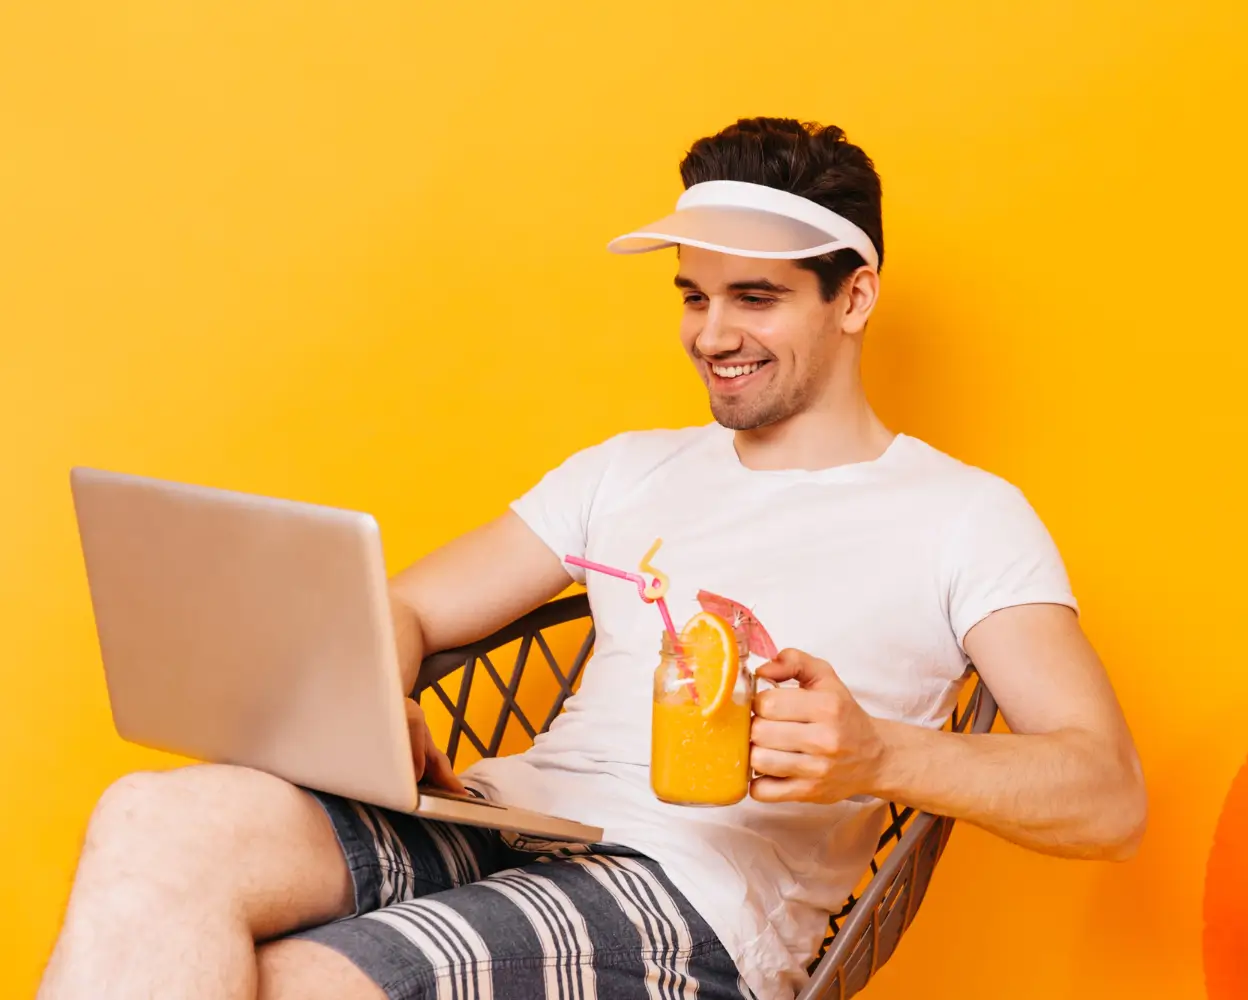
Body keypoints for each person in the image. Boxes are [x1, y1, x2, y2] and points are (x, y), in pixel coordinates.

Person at [38, 117, 1147, 1000]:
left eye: (755, 297)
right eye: (696, 297)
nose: (713, 334)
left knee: (289, 984)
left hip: (685, 891)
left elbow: (1105, 792)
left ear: (853, 297)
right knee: (150, 819)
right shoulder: (626, 470)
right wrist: (373, 698)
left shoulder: (962, 514)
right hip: (503, 810)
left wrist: (879, 755)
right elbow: (408, 608)